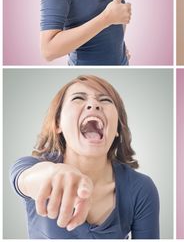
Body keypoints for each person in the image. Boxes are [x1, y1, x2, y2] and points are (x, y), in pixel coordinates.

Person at [10, 75, 159, 239]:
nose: (94, 104)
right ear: (58, 123)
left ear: (117, 127)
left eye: (105, 100)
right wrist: (52, 174)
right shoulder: (31, 166)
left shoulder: (141, 188)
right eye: (78, 98)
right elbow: (24, 179)